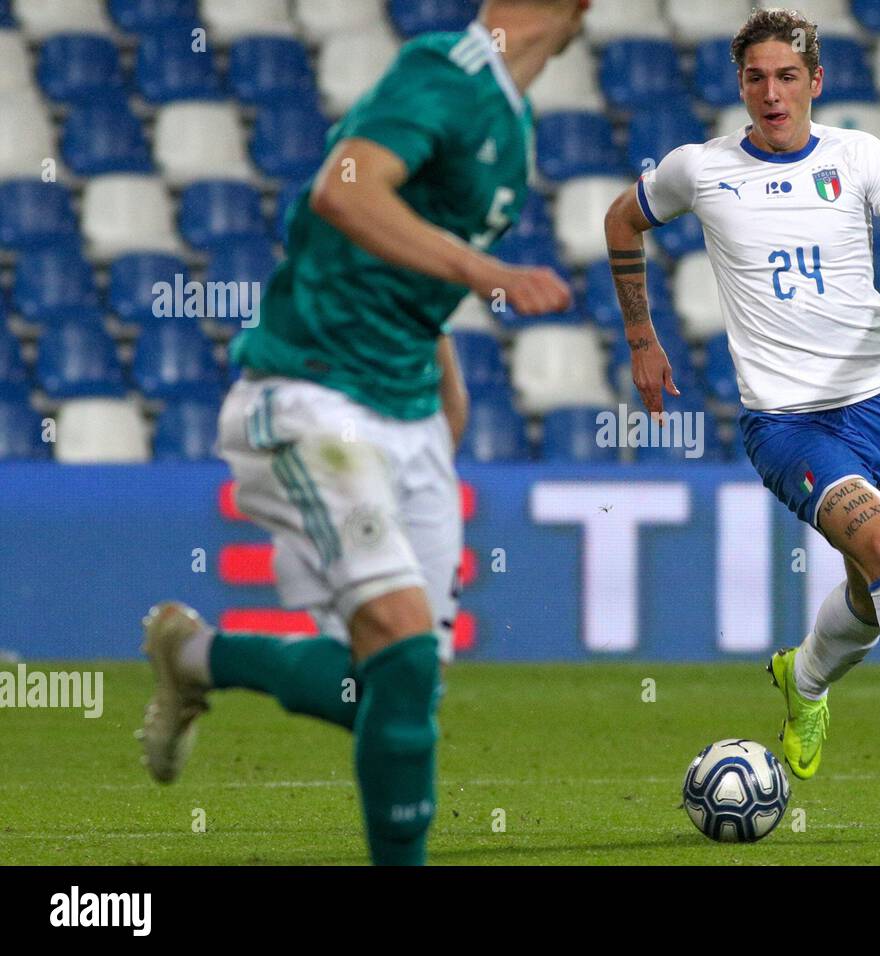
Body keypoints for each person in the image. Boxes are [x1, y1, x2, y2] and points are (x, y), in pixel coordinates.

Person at [137, 0, 588, 865]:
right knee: (401, 648)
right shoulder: (442, 71)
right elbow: (343, 189)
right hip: (314, 394)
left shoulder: (510, 122)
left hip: (406, 407)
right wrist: (486, 271)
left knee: (393, 687)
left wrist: (439, 400)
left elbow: (410, 281)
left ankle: (193, 656)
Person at [603, 8, 880, 803]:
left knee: (874, 593)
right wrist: (640, 338)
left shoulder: (857, 155)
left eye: (787, 77)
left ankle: (801, 681)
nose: (772, 93)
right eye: (756, 78)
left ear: (816, 82)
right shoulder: (699, 169)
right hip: (787, 423)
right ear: (740, 84)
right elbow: (621, 218)